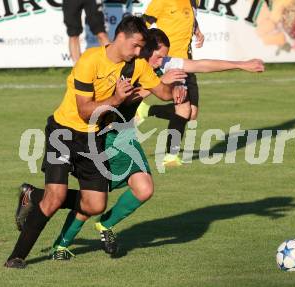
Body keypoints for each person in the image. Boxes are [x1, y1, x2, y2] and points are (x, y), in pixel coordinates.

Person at [16, 28, 264, 260]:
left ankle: (106, 224)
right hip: (102, 134)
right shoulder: (127, 66)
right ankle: (60, 240)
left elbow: (200, 64)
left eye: (164, 58)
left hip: (125, 135)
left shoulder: (159, 64)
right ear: (145, 50)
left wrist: (241, 65)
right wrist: (159, 84)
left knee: (143, 188)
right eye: (158, 57)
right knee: (92, 199)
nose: (161, 62)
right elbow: (115, 104)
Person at [4, 16, 182, 269]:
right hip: (64, 132)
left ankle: (33, 196)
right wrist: (118, 99)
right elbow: (86, 111)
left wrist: (173, 89)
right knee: (56, 197)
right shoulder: (90, 60)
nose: (139, 51)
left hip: (92, 139)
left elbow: (161, 91)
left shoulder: (139, 65)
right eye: (136, 45)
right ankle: (17, 256)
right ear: (121, 37)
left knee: (96, 203)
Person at [140, 0, 205, 167]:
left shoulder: (194, 1)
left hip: (185, 61)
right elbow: (142, 25)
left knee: (191, 114)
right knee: (184, 109)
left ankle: (146, 110)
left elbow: (189, 18)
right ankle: (171, 156)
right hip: (168, 63)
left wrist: (197, 30)